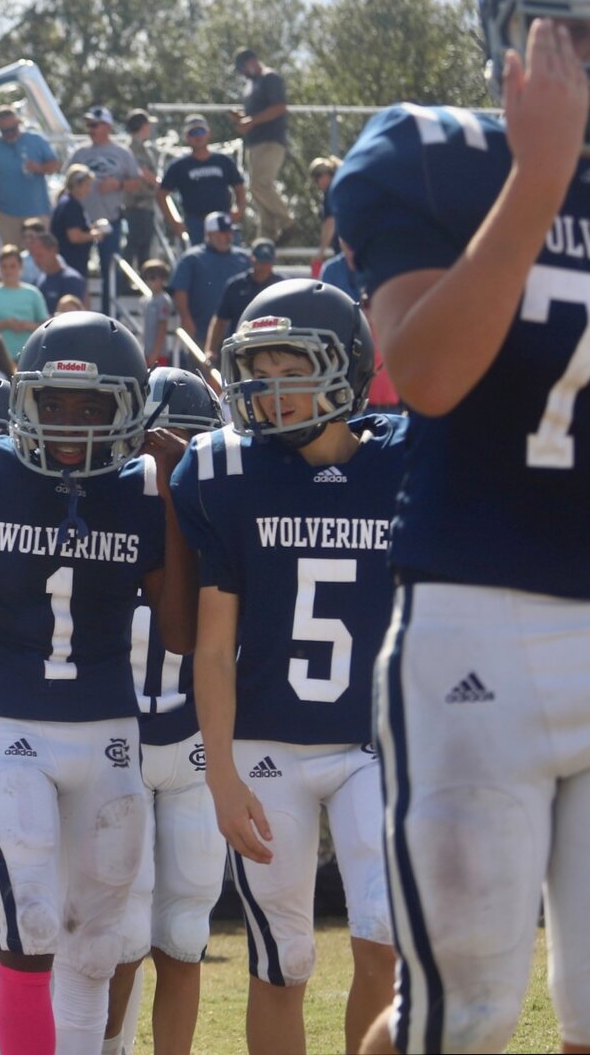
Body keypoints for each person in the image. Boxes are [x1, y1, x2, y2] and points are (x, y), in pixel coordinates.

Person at [329, 0, 590, 1055]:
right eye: (577, 31)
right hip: (481, 621)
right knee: (456, 1012)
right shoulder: (428, 155)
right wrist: (537, 180)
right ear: (508, 30)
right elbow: (427, 374)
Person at [0, 312, 184, 1055]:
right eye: (53, 402)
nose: (71, 424)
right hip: (9, 725)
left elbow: (179, 631)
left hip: (109, 726)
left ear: (128, 410)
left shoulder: (145, 485)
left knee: (97, 936)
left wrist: (175, 493)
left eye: (92, 407)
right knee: (33, 925)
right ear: (23, 399)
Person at [181, 283, 401, 1055]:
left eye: (289, 365)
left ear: (344, 366)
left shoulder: (407, 460)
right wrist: (220, 774)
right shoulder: (227, 471)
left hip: (376, 740)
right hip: (268, 744)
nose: (269, 387)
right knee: (282, 959)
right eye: (257, 368)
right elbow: (213, 646)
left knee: (385, 941)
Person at [105, 367, 221, 1055]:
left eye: (182, 448)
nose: (166, 464)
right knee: (116, 932)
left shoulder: (223, 520)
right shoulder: (101, 512)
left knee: (183, 932)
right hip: (115, 735)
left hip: (195, 740)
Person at [70, 105, 144, 310]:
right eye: (88, 125)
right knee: (77, 272)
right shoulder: (80, 153)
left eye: (94, 124)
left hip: (110, 221)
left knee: (110, 271)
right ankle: (78, 314)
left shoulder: (122, 152)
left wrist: (118, 185)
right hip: (81, 223)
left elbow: (137, 183)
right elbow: (66, 183)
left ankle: (109, 316)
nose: (90, 129)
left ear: (107, 126)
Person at [169, 213, 252, 367]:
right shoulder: (191, 258)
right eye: (223, 233)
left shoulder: (243, 258)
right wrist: (187, 321)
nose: (228, 236)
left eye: (229, 232)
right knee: (202, 381)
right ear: (209, 234)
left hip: (238, 335)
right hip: (201, 333)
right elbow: (180, 291)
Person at [157, 116, 247, 246]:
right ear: (186, 136)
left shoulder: (223, 161)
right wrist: (174, 222)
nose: (198, 136)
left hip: (222, 220)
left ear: (208, 133)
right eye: (193, 133)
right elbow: (161, 194)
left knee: (229, 261)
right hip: (195, 223)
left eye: (201, 131)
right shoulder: (179, 165)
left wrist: (238, 211)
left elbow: (239, 188)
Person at [0, 104, 61, 244]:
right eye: (5, 131)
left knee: (39, 254)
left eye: (12, 129)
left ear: (19, 124)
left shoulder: (36, 140)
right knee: (11, 257)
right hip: (6, 214)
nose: (10, 133)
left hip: (37, 212)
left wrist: (39, 168)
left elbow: (55, 164)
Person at [233, 47, 291, 241]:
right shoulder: (252, 84)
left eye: (242, 68)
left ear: (252, 61)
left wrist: (251, 121)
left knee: (260, 185)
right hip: (255, 143)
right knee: (259, 189)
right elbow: (256, 115)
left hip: (270, 141)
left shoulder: (270, 78)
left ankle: (287, 222)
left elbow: (279, 107)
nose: (242, 73)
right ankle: (267, 238)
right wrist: (243, 118)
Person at [206, 237, 284, 364]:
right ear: (251, 259)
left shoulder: (283, 286)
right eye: (260, 261)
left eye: (267, 262)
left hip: (275, 350)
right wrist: (211, 350)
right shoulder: (235, 286)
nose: (264, 266)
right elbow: (220, 320)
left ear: (273, 260)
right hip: (241, 351)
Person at [0, 245, 49, 363]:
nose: (8, 270)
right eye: (4, 266)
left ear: (21, 267)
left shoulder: (33, 293)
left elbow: (46, 326)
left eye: (12, 266)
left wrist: (26, 325)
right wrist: (4, 324)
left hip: (28, 356)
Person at [122, 109, 165, 269]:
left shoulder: (141, 148)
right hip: (137, 203)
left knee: (144, 244)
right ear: (142, 126)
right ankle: (125, 282)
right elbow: (143, 173)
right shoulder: (133, 149)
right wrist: (158, 183)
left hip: (144, 203)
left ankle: (143, 279)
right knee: (136, 242)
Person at [25, 227, 88, 313]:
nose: (37, 260)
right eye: (33, 256)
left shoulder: (72, 279)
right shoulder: (39, 280)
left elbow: (72, 315)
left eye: (39, 255)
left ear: (54, 250)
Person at [51, 164, 97, 277]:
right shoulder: (70, 205)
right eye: (87, 185)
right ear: (78, 184)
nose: (89, 189)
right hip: (71, 262)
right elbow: (74, 237)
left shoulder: (67, 202)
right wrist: (95, 234)